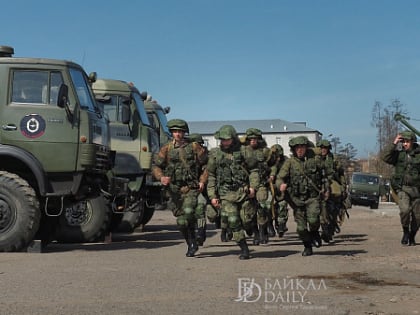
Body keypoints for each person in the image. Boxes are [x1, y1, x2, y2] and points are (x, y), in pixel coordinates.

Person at [152, 119, 208, 257]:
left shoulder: (194, 147)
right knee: (181, 222)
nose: (177, 134)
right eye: (175, 131)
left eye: (180, 131)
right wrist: (161, 177)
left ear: (184, 132)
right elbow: (156, 166)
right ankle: (191, 243)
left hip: (190, 188)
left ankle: (198, 234)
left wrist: (202, 181)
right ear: (172, 133)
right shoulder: (166, 149)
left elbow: (207, 165)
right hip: (174, 191)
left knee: (189, 211)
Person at [206, 125, 258, 259]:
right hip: (225, 194)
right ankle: (244, 248)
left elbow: (254, 170)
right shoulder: (215, 154)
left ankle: (250, 226)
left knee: (247, 220)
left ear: (233, 138)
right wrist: (212, 195)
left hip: (243, 192)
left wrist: (253, 187)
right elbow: (211, 175)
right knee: (233, 220)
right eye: (222, 140)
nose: (224, 142)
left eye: (227, 139)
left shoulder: (245, 151)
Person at [276, 136, 327, 256]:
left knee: (314, 220)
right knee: (301, 229)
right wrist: (281, 185)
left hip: (312, 197)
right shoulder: (290, 162)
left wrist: (326, 188)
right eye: (297, 148)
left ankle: (314, 232)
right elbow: (280, 177)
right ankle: (307, 246)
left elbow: (325, 175)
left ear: (306, 148)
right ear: (293, 149)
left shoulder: (315, 160)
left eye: (302, 147)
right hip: (296, 199)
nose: (300, 150)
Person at [381, 130, 420, 246]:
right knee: (404, 210)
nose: (405, 144)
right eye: (403, 142)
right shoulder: (399, 155)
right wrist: (394, 143)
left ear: (413, 142)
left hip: (417, 191)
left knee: (418, 217)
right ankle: (405, 232)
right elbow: (385, 157)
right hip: (403, 189)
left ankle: (412, 235)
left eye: (407, 142)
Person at [242, 128, 275, 244]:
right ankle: (255, 233)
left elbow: (274, 164)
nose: (253, 141)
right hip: (247, 184)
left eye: (255, 139)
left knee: (262, 207)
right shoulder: (243, 151)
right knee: (249, 211)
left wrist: (272, 175)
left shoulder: (265, 151)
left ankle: (262, 232)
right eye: (250, 139)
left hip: (261, 183)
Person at [316, 139, 347, 243]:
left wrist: (343, 188)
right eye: (321, 148)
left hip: (332, 187)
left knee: (333, 211)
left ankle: (330, 229)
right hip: (319, 186)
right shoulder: (314, 160)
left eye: (325, 148)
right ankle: (325, 230)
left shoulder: (334, 160)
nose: (323, 150)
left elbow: (341, 174)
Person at [188, 133, 209, 246]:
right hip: (187, 190)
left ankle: (200, 233)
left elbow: (206, 171)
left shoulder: (205, 157)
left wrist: (202, 182)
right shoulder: (185, 156)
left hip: (202, 189)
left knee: (200, 208)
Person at [270, 144, 289, 237]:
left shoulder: (286, 161)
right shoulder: (268, 162)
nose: (277, 158)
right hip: (270, 189)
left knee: (282, 206)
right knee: (270, 209)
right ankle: (271, 226)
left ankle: (281, 225)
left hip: (282, 189)